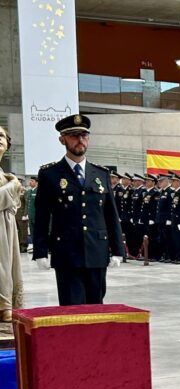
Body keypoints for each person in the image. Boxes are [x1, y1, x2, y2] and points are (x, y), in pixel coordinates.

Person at [32, 114, 124, 305]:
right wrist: (40, 250)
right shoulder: (50, 174)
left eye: (84, 135)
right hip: (66, 252)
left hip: (97, 251)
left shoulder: (101, 173)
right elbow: (41, 216)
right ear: (62, 139)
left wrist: (117, 249)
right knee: (72, 310)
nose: (80, 140)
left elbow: (111, 214)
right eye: (74, 135)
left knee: (96, 307)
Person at [0, 126, 24, 321]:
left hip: (7, 227)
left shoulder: (4, 174)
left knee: (9, 265)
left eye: (1, 136)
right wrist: (12, 186)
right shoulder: (9, 179)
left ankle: (7, 304)